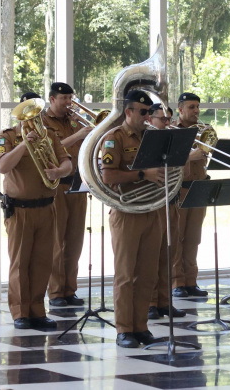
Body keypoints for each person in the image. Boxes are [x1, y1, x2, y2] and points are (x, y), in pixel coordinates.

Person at [0, 94, 72, 329]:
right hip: (19, 210)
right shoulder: (7, 136)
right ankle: (20, 312)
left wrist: (59, 172)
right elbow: (2, 166)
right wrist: (24, 144)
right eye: (30, 114)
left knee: (42, 262)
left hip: (46, 207)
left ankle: (38, 311)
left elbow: (67, 162)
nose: (35, 118)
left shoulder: (49, 136)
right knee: (20, 262)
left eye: (37, 113)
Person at [99, 90, 165, 348]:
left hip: (152, 209)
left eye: (149, 112)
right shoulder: (114, 139)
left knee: (147, 274)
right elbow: (108, 176)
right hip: (126, 212)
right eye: (142, 112)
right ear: (128, 112)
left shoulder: (152, 137)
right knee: (126, 275)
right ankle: (124, 329)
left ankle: (141, 326)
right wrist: (142, 175)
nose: (147, 116)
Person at [42, 82, 92, 307]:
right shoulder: (42, 121)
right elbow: (49, 148)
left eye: (71, 98)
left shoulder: (75, 120)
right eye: (64, 99)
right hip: (56, 186)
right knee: (56, 241)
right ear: (52, 99)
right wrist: (79, 134)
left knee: (74, 241)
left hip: (78, 184)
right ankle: (55, 292)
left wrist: (90, 135)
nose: (69, 103)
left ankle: (69, 289)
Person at [146, 104, 187, 320]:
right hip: (154, 203)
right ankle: (151, 302)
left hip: (171, 201)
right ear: (150, 119)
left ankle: (164, 301)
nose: (167, 123)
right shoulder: (146, 140)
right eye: (163, 119)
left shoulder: (172, 139)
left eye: (169, 119)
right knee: (153, 254)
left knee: (169, 253)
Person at [171, 92, 210, 298]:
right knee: (177, 236)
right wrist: (192, 156)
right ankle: (177, 281)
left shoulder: (201, 131)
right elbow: (171, 160)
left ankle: (191, 280)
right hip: (180, 188)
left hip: (198, 188)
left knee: (194, 237)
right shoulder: (172, 131)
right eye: (191, 107)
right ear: (180, 109)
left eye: (197, 107)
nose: (196, 111)